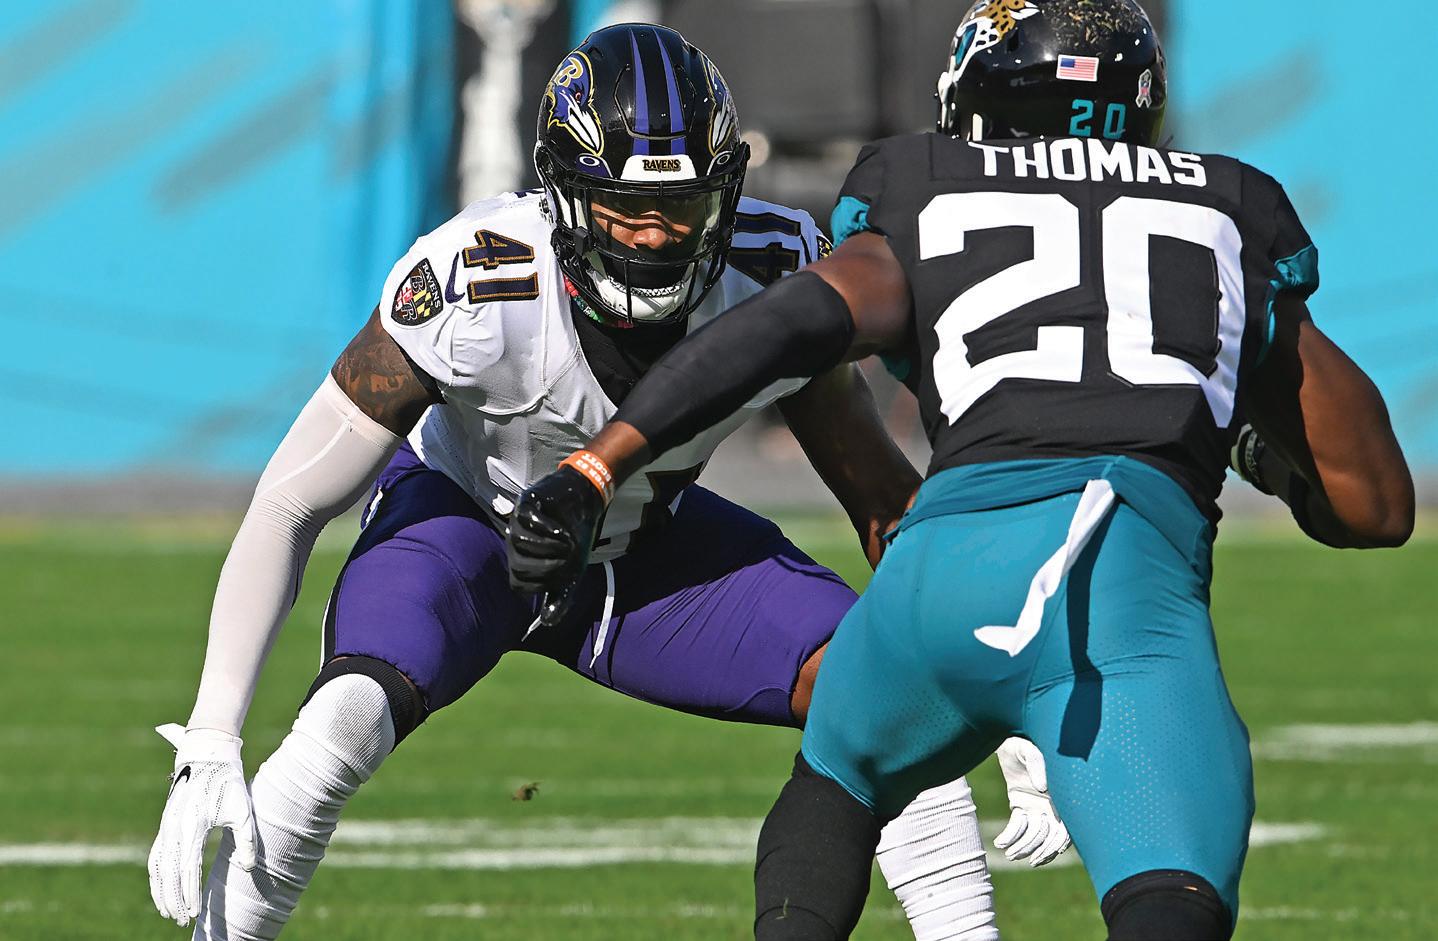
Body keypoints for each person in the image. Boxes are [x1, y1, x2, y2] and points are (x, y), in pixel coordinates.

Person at [504, 2, 1417, 939]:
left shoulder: (927, 185)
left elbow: (787, 325)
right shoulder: (1222, 207)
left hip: (942, 570)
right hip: (1116, 588)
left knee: (836, 782)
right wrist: (1251, 447)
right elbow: (1377, 505)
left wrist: (598, 466)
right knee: (1169, 894)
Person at [147, 24, 1067, 941]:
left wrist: (989, 682)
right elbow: (292, 499)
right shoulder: (476, 279)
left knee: (890, 698)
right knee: (340, 725)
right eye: (626, 208)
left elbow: (883, 502)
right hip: (465, 530)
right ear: (564, 195)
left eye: (682, 207)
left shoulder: (772, 267)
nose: (656, 236)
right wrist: (214, 734)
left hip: (642, 550)